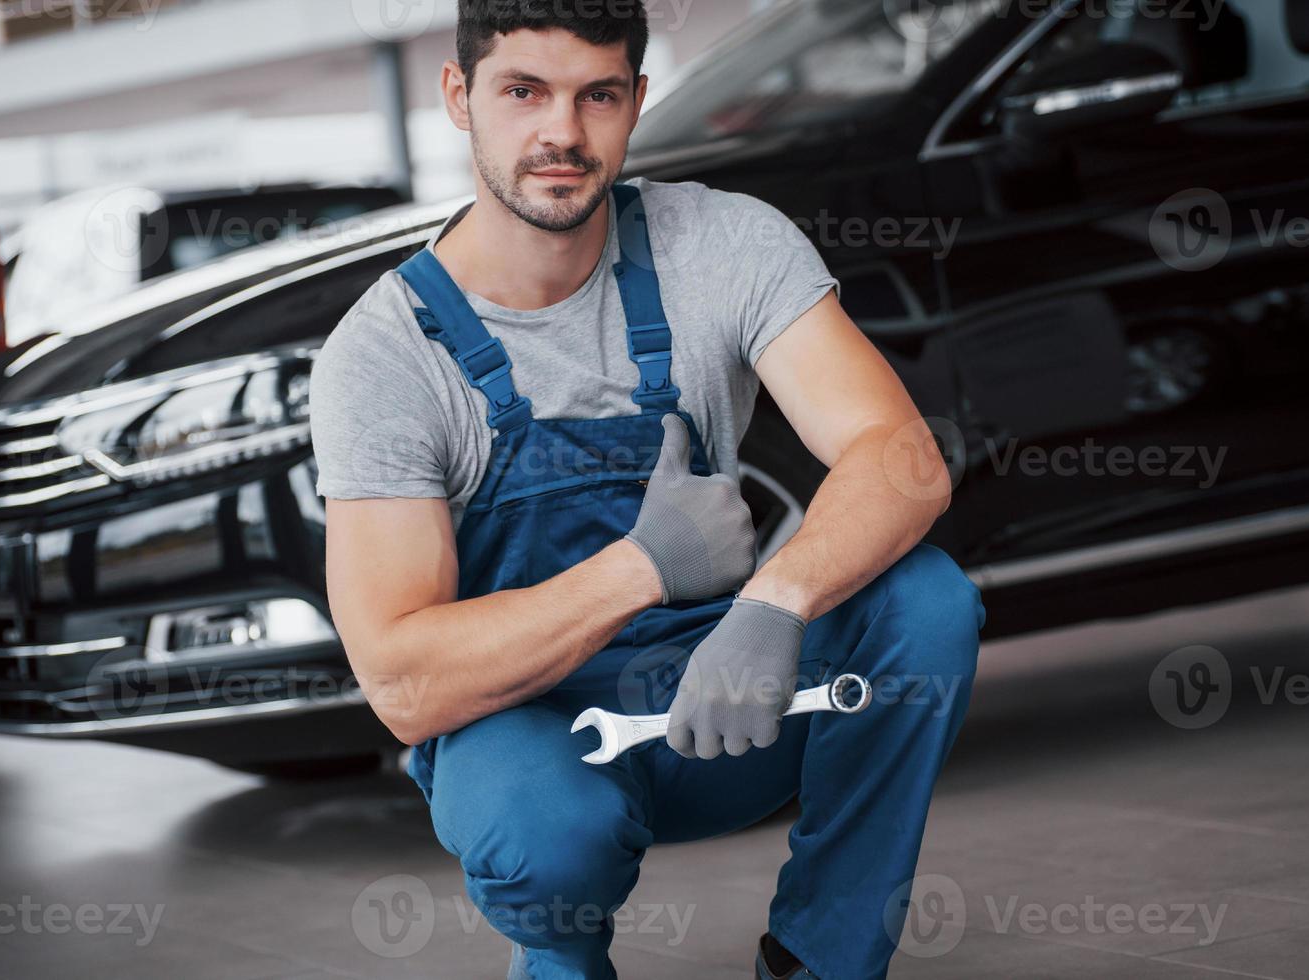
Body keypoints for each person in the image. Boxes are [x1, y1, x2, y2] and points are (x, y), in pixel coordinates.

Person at [310, 2, 985, 977]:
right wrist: (639, 567)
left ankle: (821, 956)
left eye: (598, 95)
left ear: (636, 100)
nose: (562, 133)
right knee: (544, 830)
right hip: (532, 740)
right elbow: (404, 681)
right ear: (459, 97)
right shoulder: (382, 358)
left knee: (922, 603)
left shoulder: (724, 244)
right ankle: (562, 961)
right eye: (523, 91)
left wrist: (773, 600)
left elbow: (902, 455)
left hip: (728, 694)